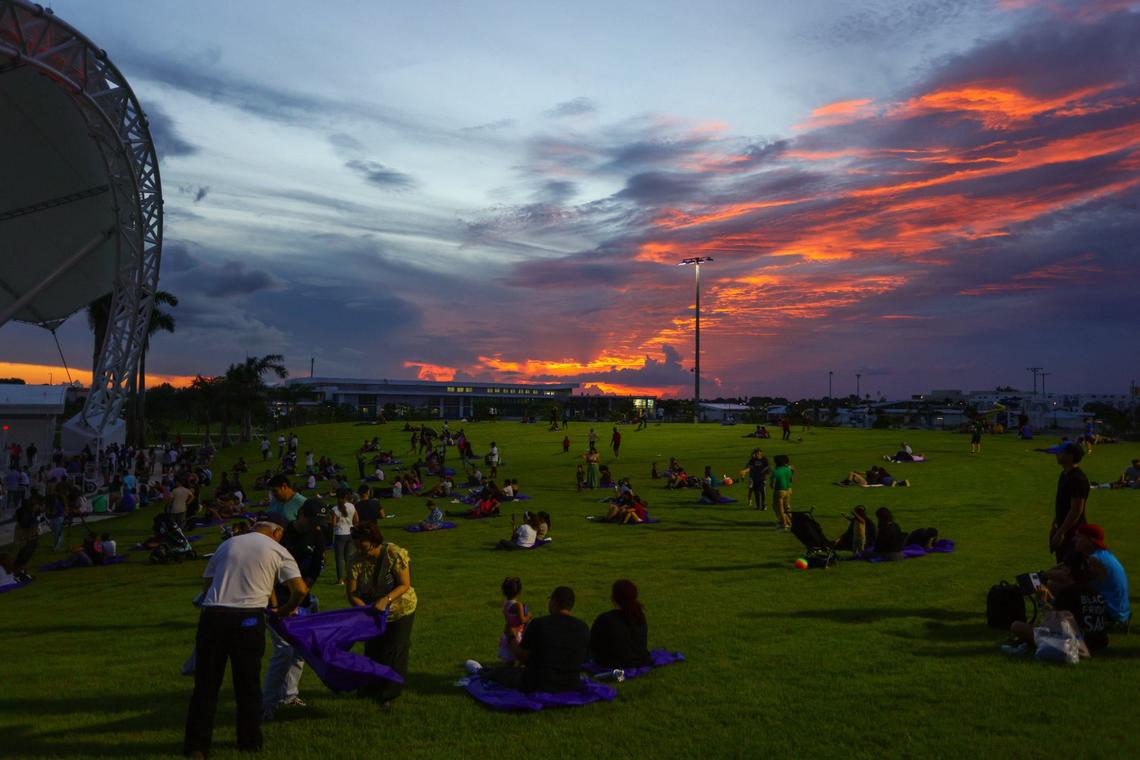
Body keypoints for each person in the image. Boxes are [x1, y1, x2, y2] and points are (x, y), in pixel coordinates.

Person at [183, 522, 307, 758]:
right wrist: (283, 610)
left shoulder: (227, 544)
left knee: (206, 684)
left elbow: (208, 584)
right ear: (277, 532)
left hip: (214, 616)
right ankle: (249, 742)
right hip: (247, 619)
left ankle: (196, 746)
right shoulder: (277, 549)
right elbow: (300, 589)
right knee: (247, 684)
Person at [262, 499, 328, 720]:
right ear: (301, 515)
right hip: (276, 601)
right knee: (283, 652)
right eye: (312, 520)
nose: (315, 526)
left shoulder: (317, 535)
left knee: (300, 650)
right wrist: (276, 606)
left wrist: (302, 594)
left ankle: (289, 695)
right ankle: (266, 703)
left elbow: (316, 567)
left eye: (319, 522)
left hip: (303, 599)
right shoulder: (281, 535)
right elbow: (269, 574)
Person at [470, 586, 589, 693]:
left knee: (502, 673)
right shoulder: (583, 627)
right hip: (571, 683)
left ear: (554, 601)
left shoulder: (539, 624)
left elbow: (522, 656)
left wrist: (511, 636)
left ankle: (480, 671)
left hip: (539, 683)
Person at [346, 522, 417, 703]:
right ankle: (369, 687)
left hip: (400, 609)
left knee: (394, 650)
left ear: (374, 540)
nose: (360, 551)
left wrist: (386, 600)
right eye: (357, 546)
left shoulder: (394, 553)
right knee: (373, 650)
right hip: (372, 612)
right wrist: (365, 608)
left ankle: (389, 693)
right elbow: (352, 593)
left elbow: (404, 584)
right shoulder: (355, 559)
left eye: (363, 546)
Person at [1010, 552, 1108, 655]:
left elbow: (1049, 624)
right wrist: (1051, 600)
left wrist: (1042, 602)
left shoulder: (1068, 592)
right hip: (1100, 643)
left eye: (1062, 568)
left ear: (1068, 570)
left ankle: (1029, 645)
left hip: (1078, 646)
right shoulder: (1095, 592)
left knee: (1017, 626)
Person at [1073, 524, 1131, 625]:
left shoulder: (1095, 559)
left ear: (1090, 540)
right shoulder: (1103, 555)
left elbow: (1078, 583)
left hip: (1112, 612)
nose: (1074, 539)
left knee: (1065, 592)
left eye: (1079, 536)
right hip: (1119, 611)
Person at [590, 579, 651, 670]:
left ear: (614, 597)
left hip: (613, 663)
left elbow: (593, 645)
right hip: (640, 660)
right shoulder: (639, 617)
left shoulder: (605, 619)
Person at [1047, 441, 1089, 563]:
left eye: (1060, 452)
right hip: (1063, 527)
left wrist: (1061, 532)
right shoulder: (1065, 474)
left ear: (1069, 456)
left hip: (1073, 532)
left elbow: (1076, 510)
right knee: (1061, 563)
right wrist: (1055, 523)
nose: (1057, 454)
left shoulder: (1077, 479)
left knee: (1069, 570)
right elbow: (1062, 503)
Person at [498, 576, 532, 664]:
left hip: (507, 633)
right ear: (519, 591)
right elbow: (522, 620)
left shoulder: (505, 603)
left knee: (509, 658)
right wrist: (528, 616)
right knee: (517, 654)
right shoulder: (518, 605)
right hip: (516, 634)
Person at [332, 489, 359, 585]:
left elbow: (334, 524)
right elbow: (357, 520)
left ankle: (340, 579)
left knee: (339, 558)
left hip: (340, 534)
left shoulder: (335, 509)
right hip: (350, 533)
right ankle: (349, 578)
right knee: (348, 558)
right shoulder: (352, 506)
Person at [770, 455, 793, 530]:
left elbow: (772, 485)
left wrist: (773, 486)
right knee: (787, 507)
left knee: (780, 508)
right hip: (788, 490)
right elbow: (791, 480)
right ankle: (790, 521)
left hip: (780, 491)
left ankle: (784, 524)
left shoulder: (775, 471)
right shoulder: (788, 470)